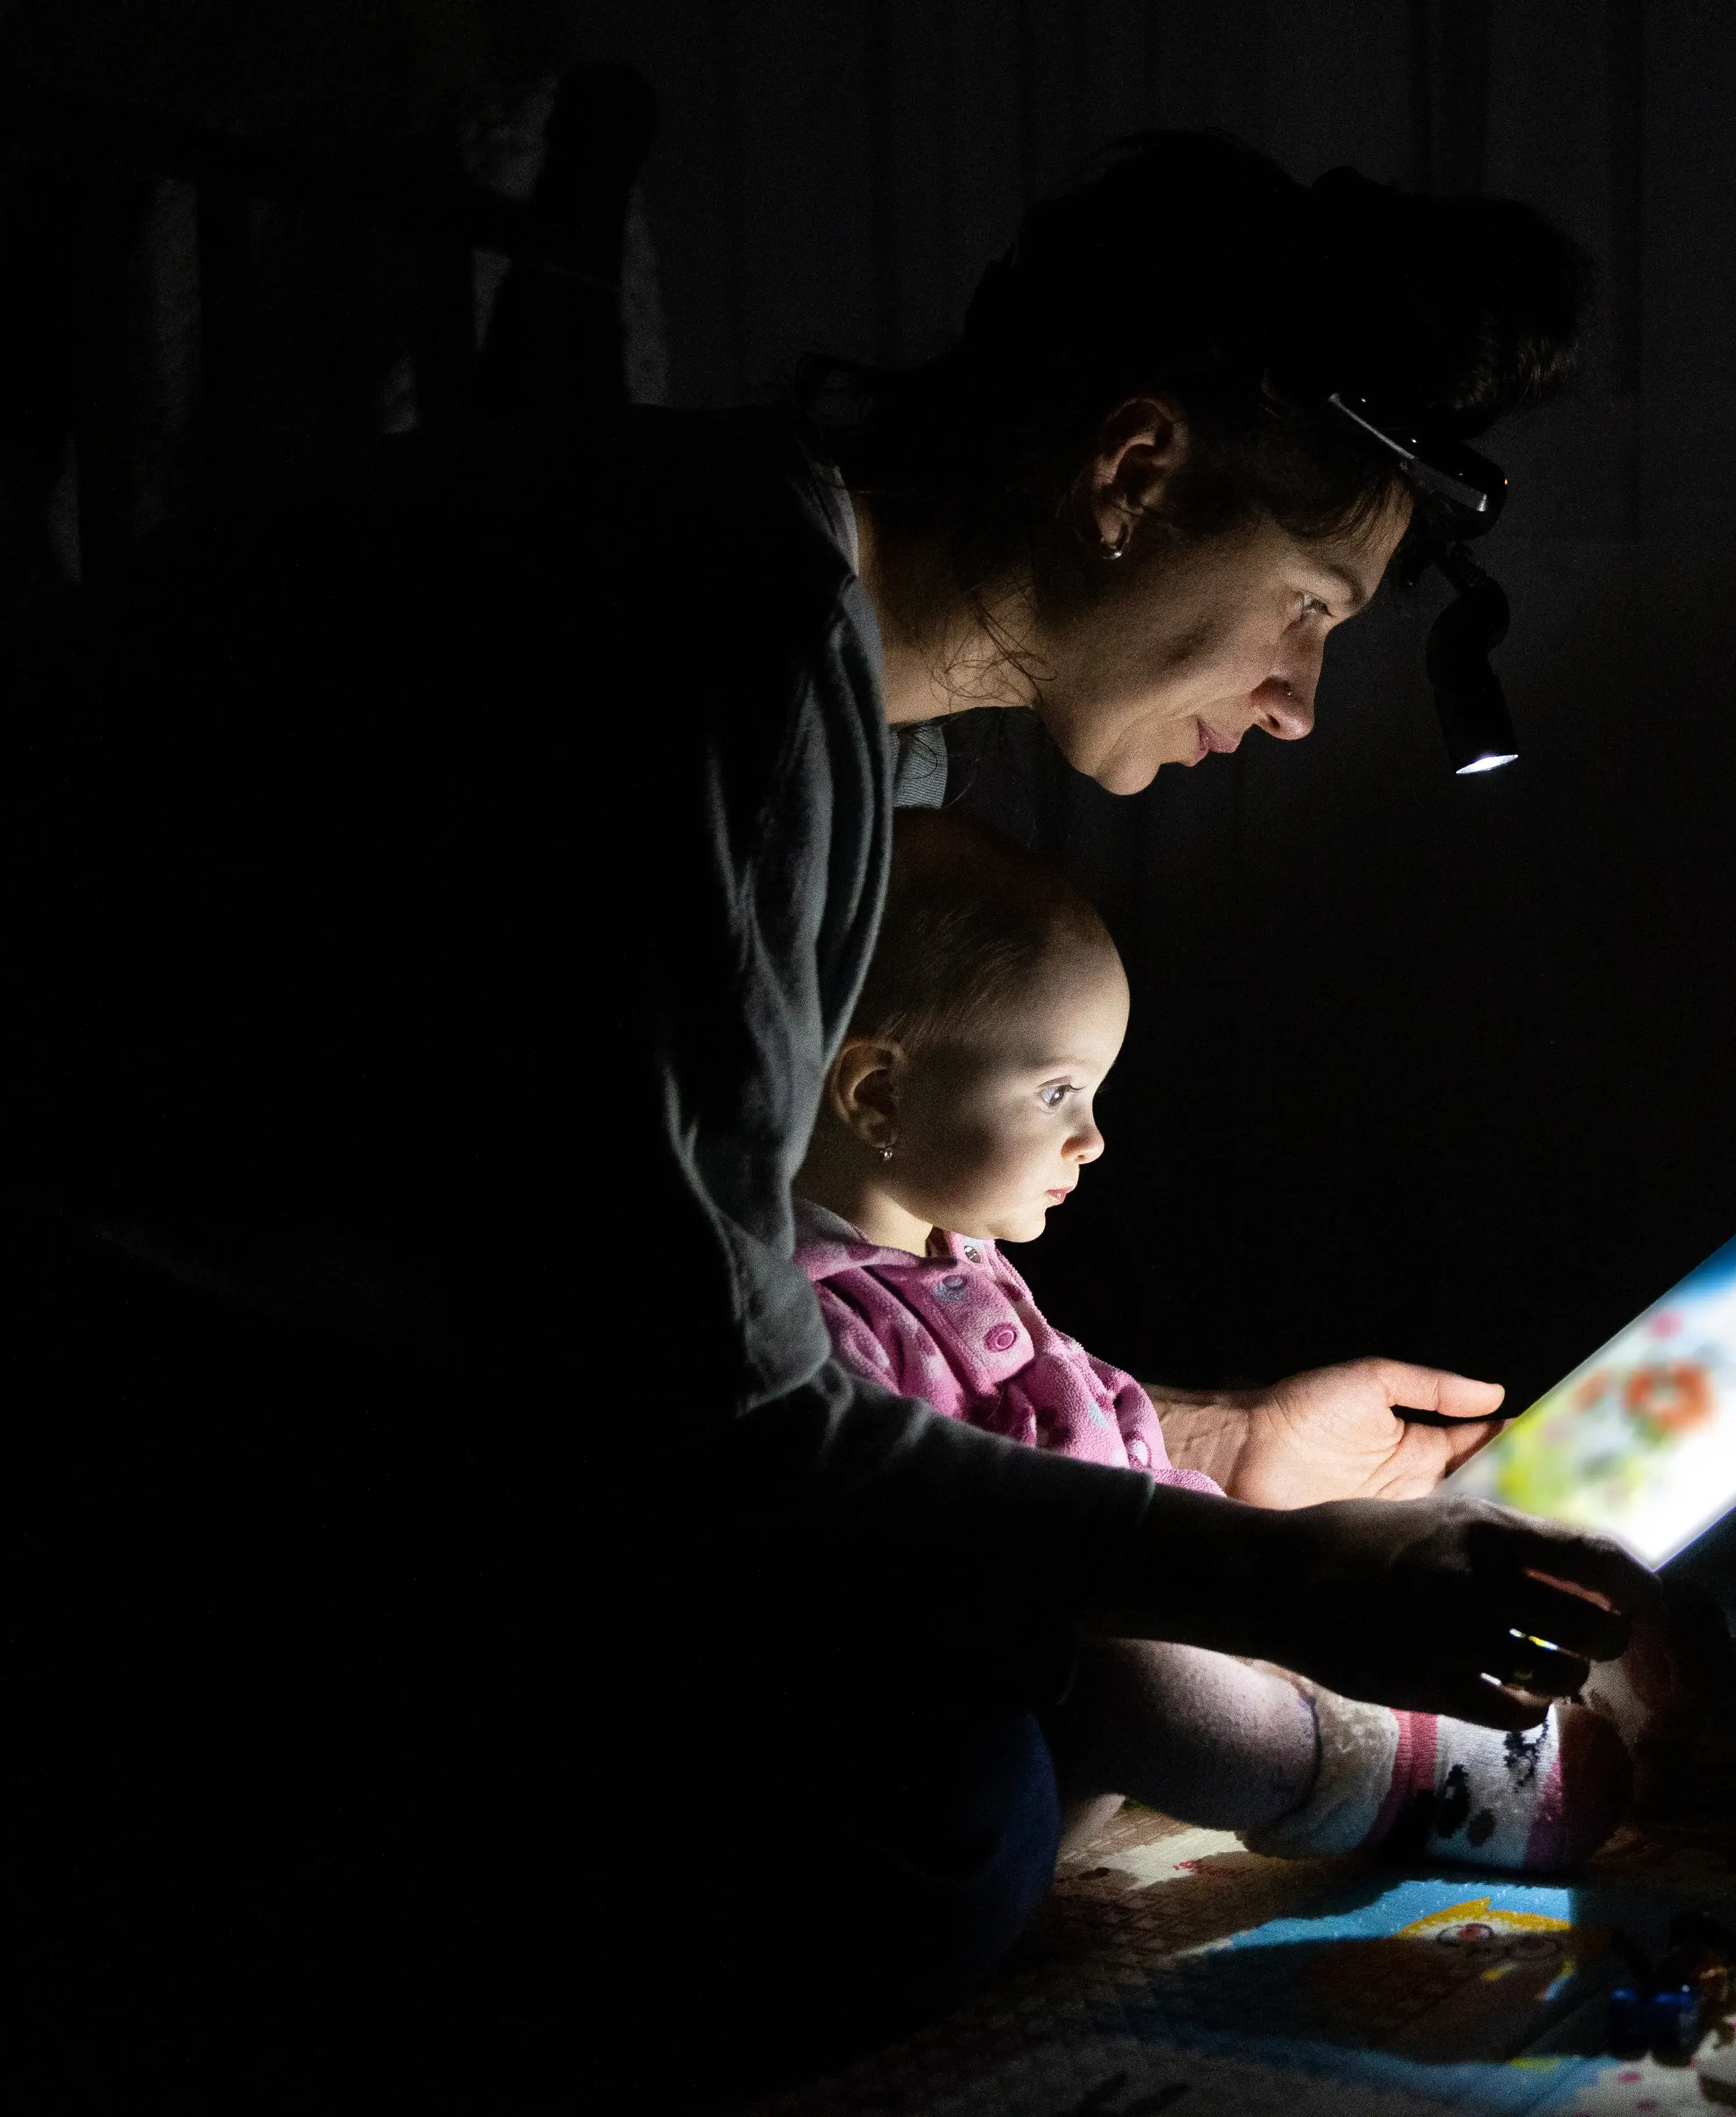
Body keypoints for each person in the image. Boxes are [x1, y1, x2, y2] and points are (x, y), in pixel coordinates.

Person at [9, 135, 1625, 2102]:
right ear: (1133, 472)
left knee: (1004, 1681)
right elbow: (695, 1410)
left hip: (402, 1404)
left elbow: (765, 1293)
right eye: (1308, 605)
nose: (1295, 700)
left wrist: (1220, 1439)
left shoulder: (834, 678)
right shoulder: (718, 627)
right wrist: (1270, 1580)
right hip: (157, 1421)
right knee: (933, 1801)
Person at [796, 807, 1665, 1873]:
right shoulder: (812, 1324)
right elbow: (946, 1567)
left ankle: (1518, 1694)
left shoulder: (954, 1247)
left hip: (1102, 1632)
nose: (1094, 1137)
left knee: (1291, 1607)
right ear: (878, 1090)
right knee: (1133, 1677)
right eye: (1057, 1091)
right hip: (992, 1739)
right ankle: (1389, 1786)